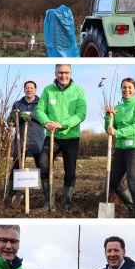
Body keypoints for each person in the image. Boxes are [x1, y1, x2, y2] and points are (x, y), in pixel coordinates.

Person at [35, 64, 86, 212]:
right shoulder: (48, 90)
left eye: (66, 72)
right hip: (52, 137)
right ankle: (49, 202)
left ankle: (66, 204)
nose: (63, 76)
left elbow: (81, 114)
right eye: (60, 73)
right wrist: (46, 122)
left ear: (71, 73)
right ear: (55, 73)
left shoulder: (78, 91)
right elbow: (39, 109)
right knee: (43, 164)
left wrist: (62, 124)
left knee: (70, 170)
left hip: (71, 137)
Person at [105, 78, 135, 218]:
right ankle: (132, 207)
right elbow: (110, 129)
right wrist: (108, 117)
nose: (127, 90)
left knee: (134, 183)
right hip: (120, 149)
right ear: (121, 89)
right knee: (113, 181)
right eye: (124, 87)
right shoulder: (118, 108)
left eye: (130, 87)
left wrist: (118, 133)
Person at [6, 80, 45, 204]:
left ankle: (47, 194)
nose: (29, 89)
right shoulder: (17, 103)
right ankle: (13, 193)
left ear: (35, 90)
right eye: (27, 88)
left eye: (31, 88)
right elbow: (10, 120)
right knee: (16, 167)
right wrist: (16, 117)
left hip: (37, 140)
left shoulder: (41, 103)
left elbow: (45, 118)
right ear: (24, 90)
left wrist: (29, 114)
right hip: (20, 140)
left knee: (42, 166)